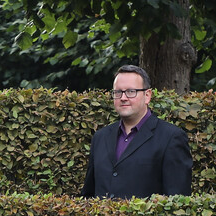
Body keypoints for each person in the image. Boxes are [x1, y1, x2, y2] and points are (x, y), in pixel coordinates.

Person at [81, 65, 192, 199]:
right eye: (118, 92)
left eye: (131, 91)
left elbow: (177, 200)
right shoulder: (100, 137)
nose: (123, 97)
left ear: (147, 96)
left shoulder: (171, 138)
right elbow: (88, 195)